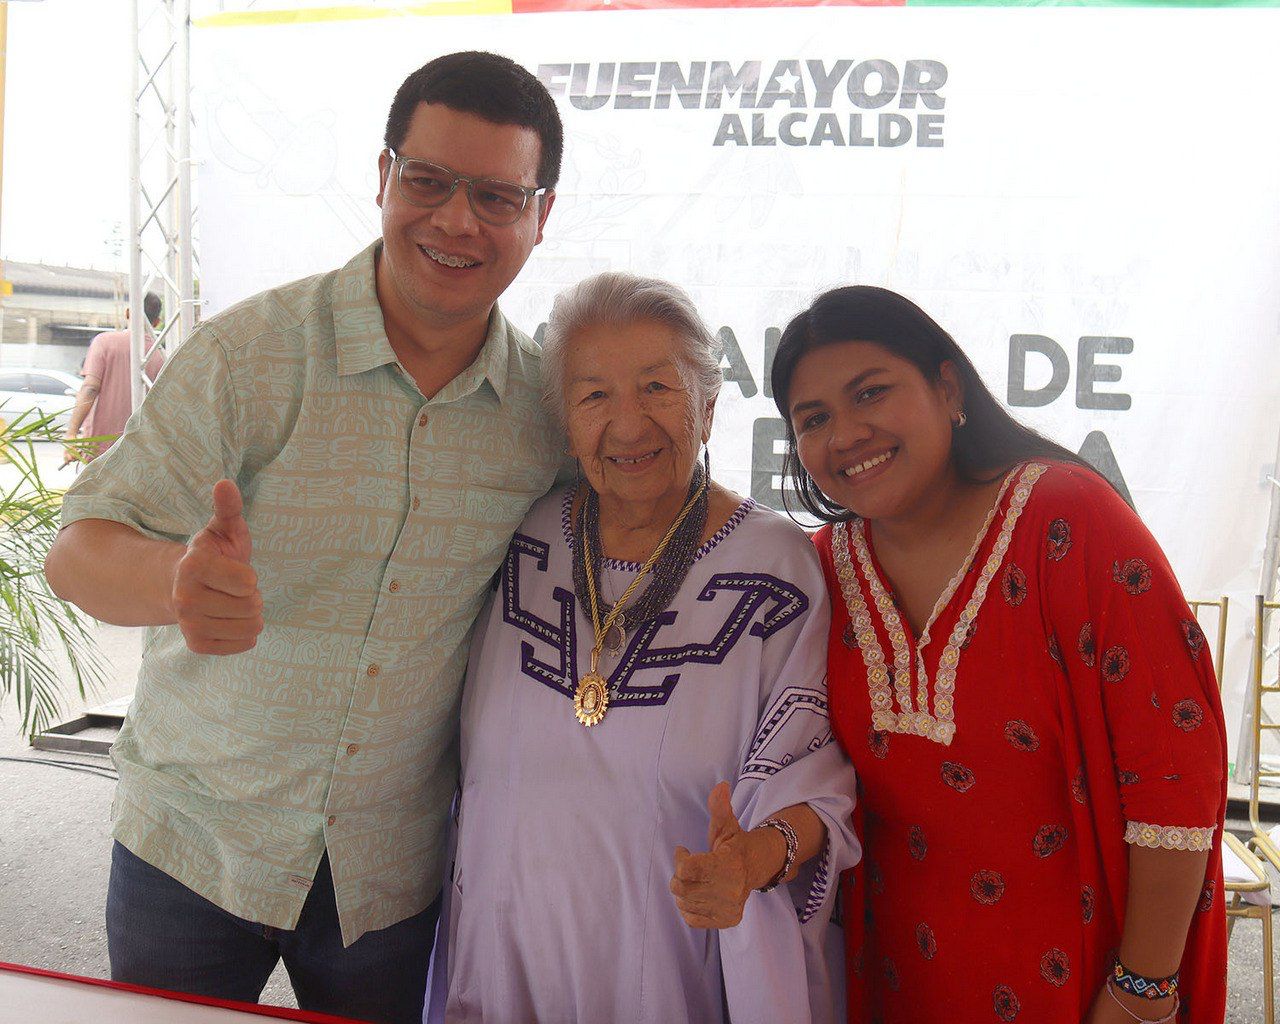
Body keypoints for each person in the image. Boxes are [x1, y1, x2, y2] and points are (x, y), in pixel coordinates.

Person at [43, 51, 564, 1024]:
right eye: (427, 181)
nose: (456, 219)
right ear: (380, 178)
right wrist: (171, 581)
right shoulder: (252, 355)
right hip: (193, 846)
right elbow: (78, 547)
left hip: (391, 875)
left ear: (541, 216)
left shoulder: (542, 413)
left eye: (497, 196)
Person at [770, 286, 1227, 1023]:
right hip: (899, 978)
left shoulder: (1067, 520)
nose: (846, 433)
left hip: (1090, 982)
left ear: (948, 387)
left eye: (871, 393)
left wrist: (1142, 987)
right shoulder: (822, 571)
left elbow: (1177, 767)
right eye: (814, 419)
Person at [430, 272, 859, 1024]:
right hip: (502, 954)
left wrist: (753, 860)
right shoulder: (523, 537)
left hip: (668, 961)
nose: (629, 427)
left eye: (658, 388)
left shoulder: (774, 566)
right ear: (565, 424)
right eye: (595, 396)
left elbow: (815, 779)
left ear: (709, 407)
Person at [63, 292, 166, 464]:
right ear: (157, 322)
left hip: (99, 451)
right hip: (142, 453)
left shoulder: (103, 342)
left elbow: (90, 388)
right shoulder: (161, 357)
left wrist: (71, 434)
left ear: (127, 313)